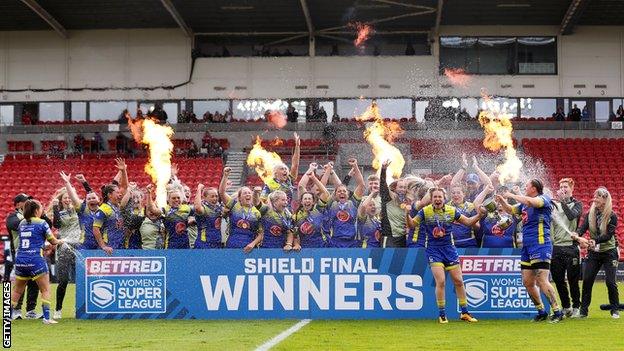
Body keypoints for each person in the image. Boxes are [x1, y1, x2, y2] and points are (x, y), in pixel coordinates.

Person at [408, 187, 486, 323]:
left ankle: (465, 313)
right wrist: (406, 214)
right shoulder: (425, 212)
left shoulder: (451, 210)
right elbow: (412, 224)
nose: (437, 199)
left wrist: (479, 215)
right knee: (441, 281)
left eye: (440, 197)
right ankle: (442, 314)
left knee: (459, 281)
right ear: (431, 199)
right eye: (435, 197)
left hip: (449, 249)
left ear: (444, 198)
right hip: (433, 250)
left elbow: (468, 222)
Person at [497, 179, 564, 323]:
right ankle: (541, 311)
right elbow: (510, 210)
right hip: (527, 247)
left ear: (534, 188)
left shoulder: (543, 199)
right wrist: (502, 200)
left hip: (540, 244)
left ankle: (557, 311)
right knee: (527, 281)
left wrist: (512, 194)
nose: (524, 187)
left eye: (527, 186)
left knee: (541, 279)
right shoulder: (524, 205)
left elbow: (531, 202)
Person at [11, 199, 64, 324]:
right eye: (41, 208)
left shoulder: (22, 223)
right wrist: (61, 241)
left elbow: (31, 241)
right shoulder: (42, 223)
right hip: (35, 260)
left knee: (17, 290)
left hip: (21, 260)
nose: (42, 210)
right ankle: (46, 318)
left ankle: (7, 316)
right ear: (36, 210)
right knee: (45, 289)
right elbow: (53, 241)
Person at [572, 187, 620, 319]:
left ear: (605, 199)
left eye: (597, 197)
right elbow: (583, 228)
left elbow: (608, 235)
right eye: (594, 196)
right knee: (587, 280)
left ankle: (615, 309)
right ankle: (583, 311)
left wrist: (594, 241)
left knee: (611, 282)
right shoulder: (590, 214)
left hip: (609, 252)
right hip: (594, 253)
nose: (595, 199)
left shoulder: (612, 216)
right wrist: (577, 234)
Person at [550, 178, 583, 318]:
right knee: (558, 279)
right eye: (561, 186)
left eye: (566, 187)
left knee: (573, 279)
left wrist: (563, 201)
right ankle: (566, 306)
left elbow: (571, 217)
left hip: (571, 247)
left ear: (571, 189)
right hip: (557, 247)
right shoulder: (555, 205)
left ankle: (576, 306)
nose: (563, 189)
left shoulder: (577, 204)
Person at [52, 172, 83, 319]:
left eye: (69, 197)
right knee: (63, 280)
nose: (68, 199)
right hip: (65, 246)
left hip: (79, 245)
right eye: (65, 197)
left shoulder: (78, 210)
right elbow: (56, 225)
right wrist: (55, 209)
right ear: (61, 200)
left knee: (81, 278)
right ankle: (58, 309)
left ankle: (80, 309)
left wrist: (68, 184)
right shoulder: (59, 212)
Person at [5, 193, 39, 320]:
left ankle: (30, 310)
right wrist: (34, 219)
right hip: (20, 254)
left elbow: (47, 223)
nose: (28, 202)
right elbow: (14, 225)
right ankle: (16, 310)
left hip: (34, 252)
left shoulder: (34, 216)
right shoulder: (12, 217)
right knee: (21, 281)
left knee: (34, 281)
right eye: (26, 201)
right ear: (18, 204)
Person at [219, 167, 263, 252]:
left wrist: (252, 244)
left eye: (249, 193)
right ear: (239, 197)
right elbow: (222, 192)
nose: (248, 194)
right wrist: (225, 175)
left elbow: (261, 233)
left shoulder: (257, 212)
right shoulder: (234, 206)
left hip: (249, 247)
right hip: (232, 244)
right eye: (245, 193)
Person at [325, 158, 365, 248]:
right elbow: (323, 189)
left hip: (352, 242)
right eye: (339, 191)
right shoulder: (332, 204)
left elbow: (362, 185)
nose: (342, 192)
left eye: (344, 191)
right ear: (335, 195)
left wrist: (355, 166)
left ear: (348, 194)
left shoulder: (353, 203)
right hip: (335, 242)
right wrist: (329, 171)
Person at [294, 165, 330, 248]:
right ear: (301, 202)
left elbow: (326, 193)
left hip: (321, 245)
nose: (307, 201)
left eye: (309, 199)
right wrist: (310, 169)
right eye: (305, 199)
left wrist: (313, 178)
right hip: (305, 248)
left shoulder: (319, 209)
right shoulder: (297, 215)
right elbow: (300, 186)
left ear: (313, 201)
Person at [261, 133, 300, 208]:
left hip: (288, 212)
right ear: (275, 173)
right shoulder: (269, 184)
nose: (285, 170)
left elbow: (295, 165)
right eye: (282, 169)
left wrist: (297, 146)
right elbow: (263, 201)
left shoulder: (289, 179)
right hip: (275, 213)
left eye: (286, 169)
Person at [379, 161, 410, 247]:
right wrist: (383, 169)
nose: (402, 189)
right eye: (400, 187)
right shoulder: (388, 198)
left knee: (400, 260)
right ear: (395, 188)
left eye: (404, 187)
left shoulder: (407, 202)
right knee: (387, 259)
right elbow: (382, 184)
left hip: (403, 238)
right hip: (389, 237)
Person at [193, 184, 223, 249]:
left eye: (216, 196)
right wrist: (199, 189)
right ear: (204, 197)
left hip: (217, 243)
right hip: (204, 243)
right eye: (212, 196)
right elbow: (197, 207)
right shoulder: (204, 208)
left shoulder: (219, 208)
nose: (215, 198)